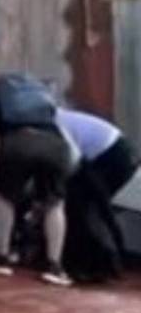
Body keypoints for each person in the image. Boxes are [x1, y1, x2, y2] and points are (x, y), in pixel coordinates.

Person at [0, 74, 77, 286]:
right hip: (55, 145)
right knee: (54, 203)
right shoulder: (41, 91)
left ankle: (2, 257)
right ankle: (55, 266)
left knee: (5, 198)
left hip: (17, 141)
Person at [57, 107, 139, 282]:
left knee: (83, 210)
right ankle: (104, 262)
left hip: (108, 156)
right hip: (115, 151)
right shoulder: (55, 115)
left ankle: (96, 265)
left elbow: (73, 159)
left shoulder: (51, 122)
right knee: (92, 209)